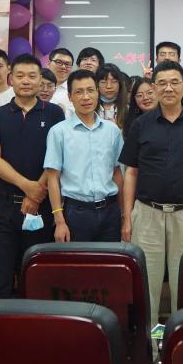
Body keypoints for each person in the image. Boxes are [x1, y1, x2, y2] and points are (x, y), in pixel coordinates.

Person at [121, 60, 183, 327]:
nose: (168, 88)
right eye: (162, 83)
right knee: (147, 284)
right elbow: (131, 173)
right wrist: (127, 217)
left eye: (174, 82)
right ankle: (152, 344)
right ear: (154, 87)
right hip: (147, 214)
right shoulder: (141, 125)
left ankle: (182, 340)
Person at [0, 53, 65, 297]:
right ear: (11, 79)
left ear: (41, 79)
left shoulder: (54, 113)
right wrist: (27, 187)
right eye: (20, 76)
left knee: (35, 277)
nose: (26, 81)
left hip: (41, 207)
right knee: (0, 277)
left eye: (32, 76)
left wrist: (35, 193)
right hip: (3, 206)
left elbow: (56, 159)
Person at [44, 69, 124, 243]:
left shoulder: (112, 131)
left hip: (110, 211)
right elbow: (52, 178)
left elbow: (117, 172)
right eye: (79, 92)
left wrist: (123, 215)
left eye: (90, 90)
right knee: (78, 260)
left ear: (97, 92)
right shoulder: (59, 132)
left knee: (111, 259)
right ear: (70, 97)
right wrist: (59, 221)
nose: (86, 97)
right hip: (76, 213)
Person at [97, 63, 128, 127]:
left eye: (114, 81)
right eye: (103, 82)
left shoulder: (128, 110)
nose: (109, 86)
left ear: (120, 84)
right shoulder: (90, 109)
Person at [47, 47, 76, 117]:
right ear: (49, 64)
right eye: (59, 62)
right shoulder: (37, 87)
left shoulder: (74, 90)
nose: (63, 67)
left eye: (67, 64)